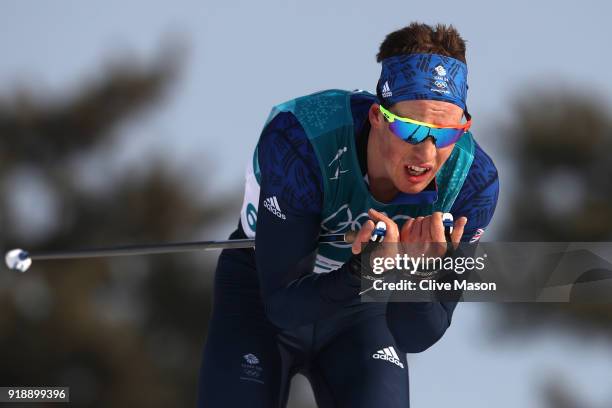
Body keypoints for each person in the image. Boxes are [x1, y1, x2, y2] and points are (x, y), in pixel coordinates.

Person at [198, 22, 499, 407]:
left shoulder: (472, 183)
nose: (426, 155)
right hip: (262, 295)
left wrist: (417, 278)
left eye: (445, 135)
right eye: (411, 129)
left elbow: (417, 335)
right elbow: (284, 307)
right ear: (377, 116)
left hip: (363, 314)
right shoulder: (302, 140)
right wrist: (362, 273)